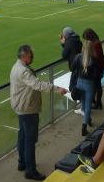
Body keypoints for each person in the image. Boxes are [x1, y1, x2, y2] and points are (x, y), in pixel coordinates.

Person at [10, 45, 68, 180]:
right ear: (24, 56)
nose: (32, 58)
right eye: (30, 56)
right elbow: (37, 84)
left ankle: (22, 162)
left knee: (23, 136)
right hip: (27, 109)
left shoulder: (16, 67)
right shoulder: (23, 71)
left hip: (21, 107)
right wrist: (56, 88)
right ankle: (30, 170)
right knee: (30, 139)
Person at [71, 39, 99, 135]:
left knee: (83, 104)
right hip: (89, 84)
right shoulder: (94, 59)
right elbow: (96, 75)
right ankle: (84, 127)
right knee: (87, 107)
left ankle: (88, 119)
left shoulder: (78, 57)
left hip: (79, 82)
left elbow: (72, 68)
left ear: (83, 48)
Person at [82, 28, 104, 109]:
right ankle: (96, 102)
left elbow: (98, 57)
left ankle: (97, 103)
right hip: (98, 67)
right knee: (96, 86)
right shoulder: (96, 43)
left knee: (97, 86)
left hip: (97, 68)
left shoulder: (95, 44)